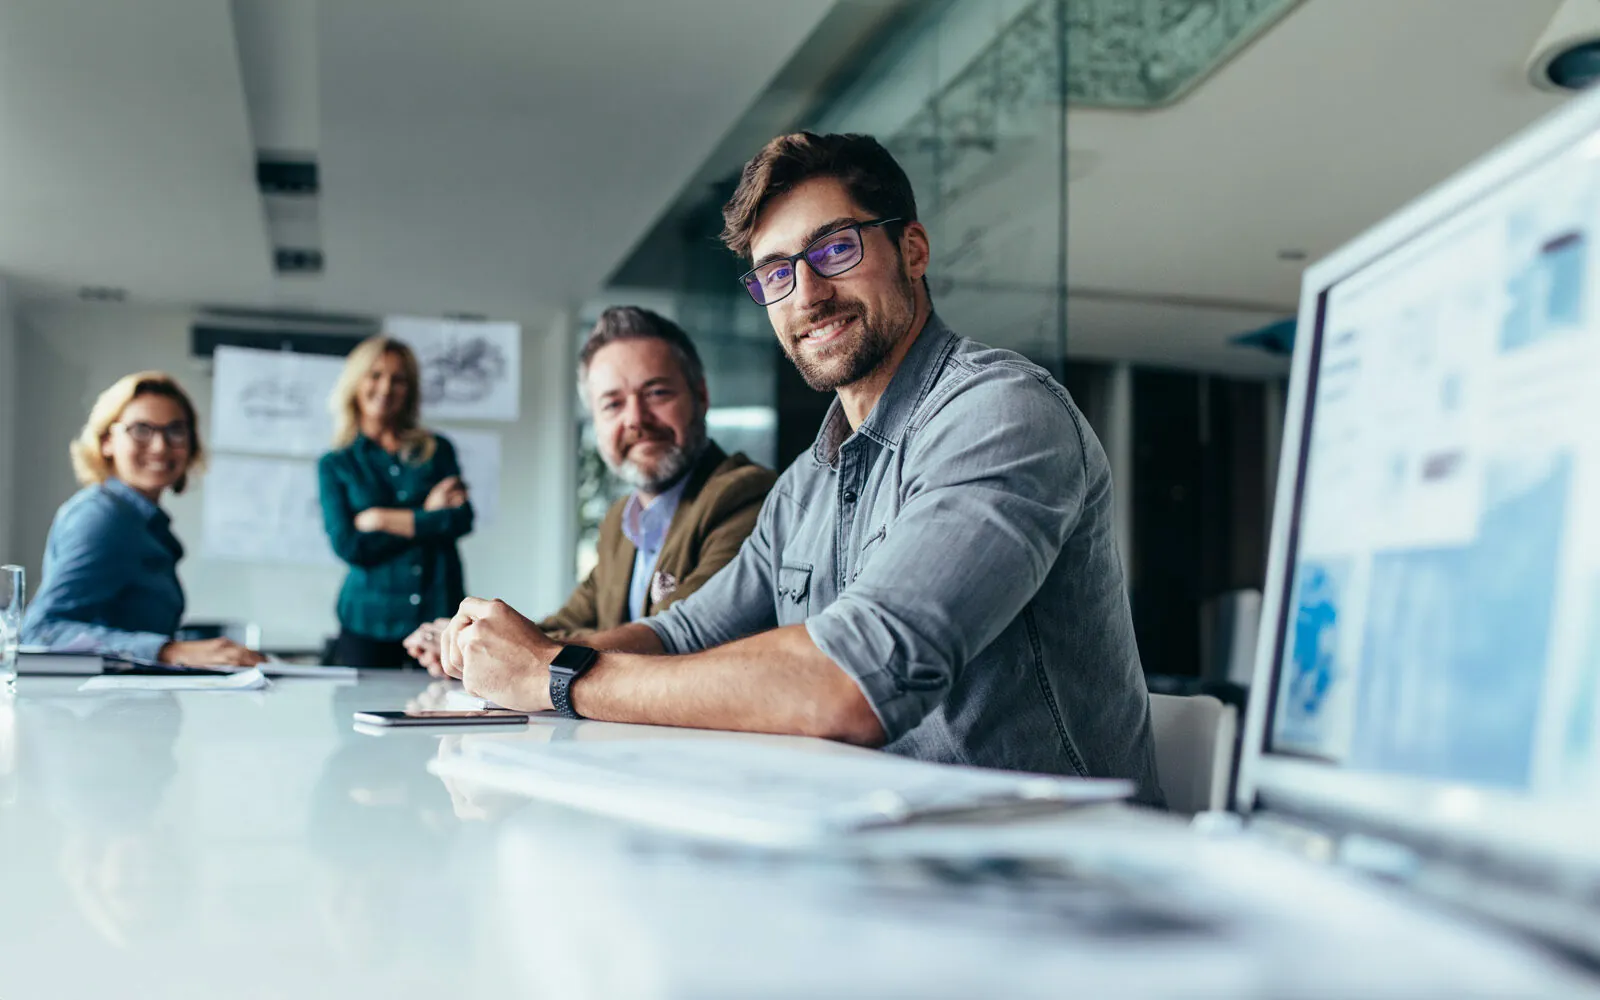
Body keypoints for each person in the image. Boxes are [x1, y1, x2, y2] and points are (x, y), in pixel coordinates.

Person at [438, 133, 1161, 801]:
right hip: (879, 848)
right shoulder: (806, 486)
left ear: (913, 248)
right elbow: (683, 634)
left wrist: (556, 677)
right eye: (775, 273)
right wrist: (521, 652)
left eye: (835, 249)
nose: (807, 294)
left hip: (1051, 882)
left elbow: (852, 684)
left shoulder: (1000, 414)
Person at [403, 307, 776, 673]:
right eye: (613, 404)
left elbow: (677, 636)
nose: (635, 419)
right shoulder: (621, 520)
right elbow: (567, 622)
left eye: (657, 393)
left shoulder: (743, 495)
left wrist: (515, 651)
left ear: (701, 396)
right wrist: (472, 640)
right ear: (595, 422)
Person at [22, 372, 261, 666]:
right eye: (141, 429)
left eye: (175, 430)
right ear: (107, 440)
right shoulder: (102, 518)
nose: (160, 446)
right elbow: (40, 632)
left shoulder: (144, 524)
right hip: (91, 709)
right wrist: (167, 651)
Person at [318, 336, 473, 668]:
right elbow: (349, 545)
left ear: (410, 389)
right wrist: (427, 514)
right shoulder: (336, 464)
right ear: (356, 383)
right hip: (367, 621)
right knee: (356, 716)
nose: (386, 387)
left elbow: (459, 520)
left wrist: (379, 518)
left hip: (437, 615)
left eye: (398, 378)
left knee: (443, 713)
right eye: (375, 375)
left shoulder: (437, 450)